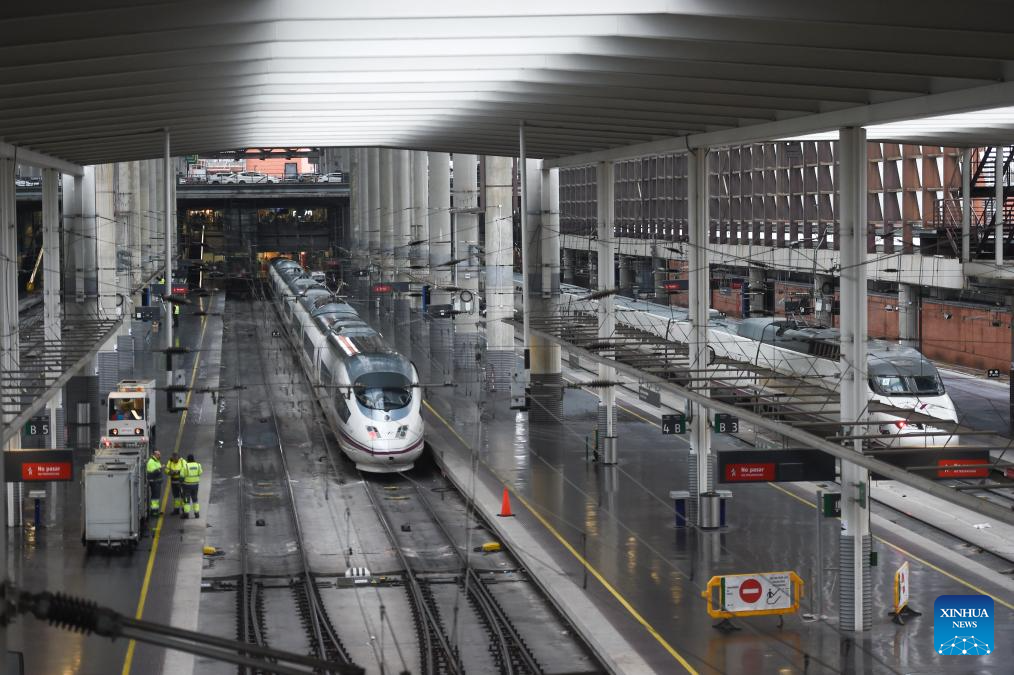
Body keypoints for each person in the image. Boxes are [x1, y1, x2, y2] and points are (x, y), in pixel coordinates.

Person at [181, 453, 203, 519]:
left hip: (187, 485)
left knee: (186, 500)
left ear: (187, 459)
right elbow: (200, 473)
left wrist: (181, 483)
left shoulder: (185, 466)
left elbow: (181, 476)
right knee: (195, 499)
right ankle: (197, 513)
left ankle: (186, 514)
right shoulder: (198, 465)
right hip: (195, 485)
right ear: (193, 458)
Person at [145, 450, 163, 516]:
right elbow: (152, 472)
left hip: (157, 482)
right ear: (154, 455)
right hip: (155, 482)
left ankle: (155, 510)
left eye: (159, 454)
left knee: (156, 497)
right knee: (155, 497)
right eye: (158, 454)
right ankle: (154, 512)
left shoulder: (156, 461)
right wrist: (160, 468)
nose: (160, 456)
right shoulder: (151, 462)